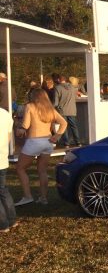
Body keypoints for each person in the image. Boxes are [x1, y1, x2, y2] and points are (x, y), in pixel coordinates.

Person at [14, 88, 67, 206]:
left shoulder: (30, 107)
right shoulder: (50, 109)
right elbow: (64, 122)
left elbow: (26, 125)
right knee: (42, 171)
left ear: (33, 96)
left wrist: (20, 127)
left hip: (34, 141)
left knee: (20, 168)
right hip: (48, 142)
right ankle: (43, 198)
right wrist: (57, 136)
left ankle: (27, 196)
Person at [0, 104, 16, 233]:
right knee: (3, 190)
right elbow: (9, 137)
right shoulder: (5, 114)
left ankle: (3, 224)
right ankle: (11, 220)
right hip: (3, 157)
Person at [53, 74, 80, 147]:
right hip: (72, 110)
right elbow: (76, 98)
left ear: (58, 80)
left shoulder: (57, 88)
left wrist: (53, 108)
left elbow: (56, 102)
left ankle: (66, 143)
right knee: (74, 126)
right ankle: (78, 142)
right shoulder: (73, 87)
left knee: (64, 126)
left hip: (62, 111)